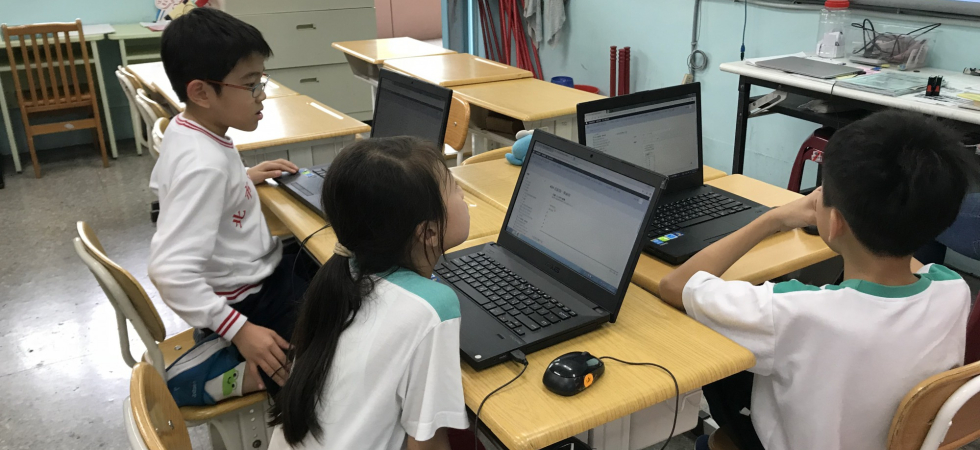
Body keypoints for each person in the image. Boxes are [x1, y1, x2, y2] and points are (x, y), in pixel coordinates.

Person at [660, 110, 977, 450]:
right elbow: (901, 250)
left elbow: (675, 286)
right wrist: (853, 222)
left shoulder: (793, 310)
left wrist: (772, 219)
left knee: (723, 356)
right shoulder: (954, 290)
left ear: (835, 222)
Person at [148, 7, 310, 406]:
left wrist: (241, 178)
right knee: (325, 355)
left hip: (255, 273)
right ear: (201, 92)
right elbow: (169, 271)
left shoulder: (192, 130)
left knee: (336, 272)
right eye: (251, 84)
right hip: (247, 300)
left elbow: (197, 187)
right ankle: (226, 369)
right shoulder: (203, 166)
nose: (262, 95)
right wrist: (240, 330)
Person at [269, 137, 471, 450]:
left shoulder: (340, 271)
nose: (463, 194)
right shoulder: (433, 308)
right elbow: (427, 443)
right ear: (430, 232)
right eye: (455, 188)